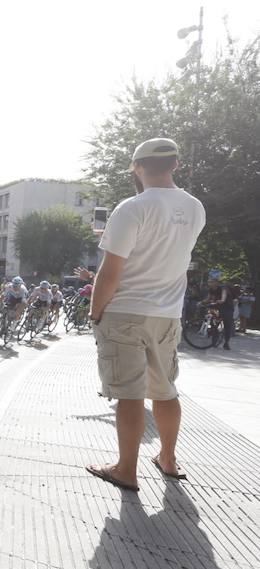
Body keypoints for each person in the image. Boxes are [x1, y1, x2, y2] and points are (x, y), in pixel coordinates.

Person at [86, 137, 205, 492]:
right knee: (166, 391)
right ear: (176, 164)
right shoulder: (196, 208)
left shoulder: (132, 208)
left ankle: (126, 469)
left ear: (137, 168)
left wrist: (95, 313)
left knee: (130, 394)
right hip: (168, 314)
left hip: (125, 311)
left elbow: (110, 273)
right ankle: (167, 459)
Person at [201, 278, 234, 350]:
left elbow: (224, 296)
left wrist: (222, 300)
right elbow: (208, 299)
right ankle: (214, 342)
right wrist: (201, 302)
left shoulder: (223, 288)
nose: (209, 283)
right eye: (209, 282)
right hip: (217, 308)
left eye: (211, 282)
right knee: (214, 325)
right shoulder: (211, 289)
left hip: (227, 308)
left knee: (227, 325)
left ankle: (226, 343)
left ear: (216, 282)